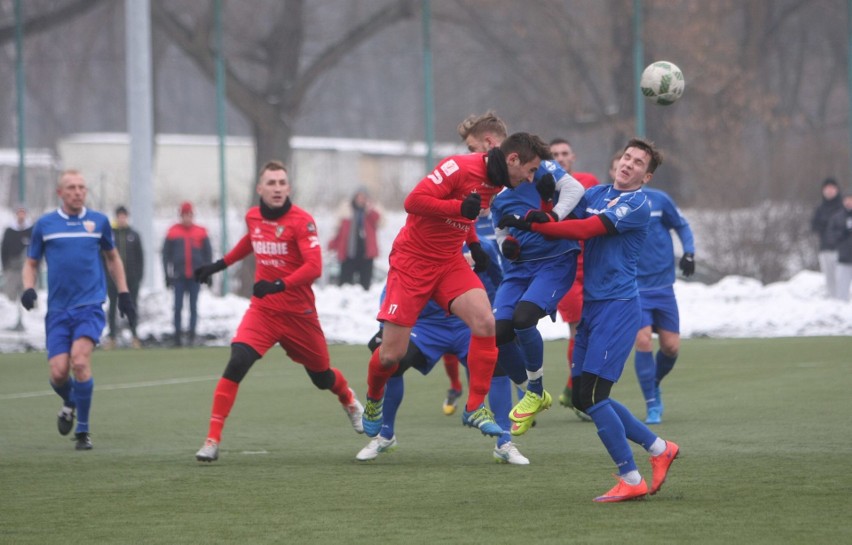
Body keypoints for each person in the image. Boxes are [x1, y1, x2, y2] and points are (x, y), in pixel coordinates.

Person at [499, 138, 680, 502]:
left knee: (595, 395)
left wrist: (532, 225)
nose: (628, 164)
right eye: (626, 157)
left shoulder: (637, 204)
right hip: (593, 307)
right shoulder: (596, 192)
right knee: (584, 397)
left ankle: (631, 477)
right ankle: (660, 449)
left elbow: (583, 230)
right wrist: (544, 201)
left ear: (647, 175)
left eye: (638, 162)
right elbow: (560, 209)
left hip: (618, 306)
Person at [360, 131, 551, 439]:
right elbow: (414, 202)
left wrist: (472, 243)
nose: (530, 178)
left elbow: (467, 213)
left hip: (449, 262)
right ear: (513, 159)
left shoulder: (500, 181)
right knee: (390, 356)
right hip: (413, 263)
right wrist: (458, 210)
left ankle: (474, 407)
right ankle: (372, 399)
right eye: (530, 170)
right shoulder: (458, 167)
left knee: (486, 322)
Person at [191, 160, 365, 462]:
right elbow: (252, 241)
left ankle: (348, 399)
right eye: (271, 183)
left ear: (289, 188)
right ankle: (212, 440)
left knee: (321, 377)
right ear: (260, 189)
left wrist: (279, 285)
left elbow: (315, 267)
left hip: (299, 314)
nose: (277, 188)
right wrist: (220, 265)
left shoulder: (302, 221)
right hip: (264, 311)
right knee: (237, 361)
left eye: (282, 183)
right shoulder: (253, 217)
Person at [456, 112, 585, 437]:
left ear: (489, 143)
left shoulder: (535, 164)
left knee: (524, 317)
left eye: (473, 147)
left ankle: (536, 388)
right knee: (498, 332)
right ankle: (532, 392)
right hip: (520, 267)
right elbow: (500, 227)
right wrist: (507, 246)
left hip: (555, 260)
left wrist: (553, 212)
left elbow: (575, 189)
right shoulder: (489, 183)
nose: (473, 155)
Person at [20, 170, 137, 450]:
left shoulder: (98, 222)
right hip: (58, 311)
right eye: (71, 187)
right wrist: (28, 287)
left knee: (80, 362)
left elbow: (113, 257)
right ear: (60, 193)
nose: (77, 192)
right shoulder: (45, 225)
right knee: (58, 373)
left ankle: (83, 432)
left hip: (90, 307)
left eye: (82, 187)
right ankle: (70, 401)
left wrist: (123, 293)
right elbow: (31, 262)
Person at [633, 187, 695, 425]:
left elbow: (681, 224)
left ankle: (654, 381)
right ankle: (651, 404)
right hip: (634, 287)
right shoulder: (614, 202)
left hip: (663, 287)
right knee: (643, 340)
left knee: (671, 347)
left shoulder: (659, 199)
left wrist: (689, 252)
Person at [548, 138, 600, 418]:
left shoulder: (588, 181)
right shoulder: (543, 188)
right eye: (554, 154)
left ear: (573, 156)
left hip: (592, 268)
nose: (560, 158)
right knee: (577, 329)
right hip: (565, 269)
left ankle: (572, 387)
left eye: (564, 153)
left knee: (592, 330)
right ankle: (580, 393)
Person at [162, 201, 211, 346]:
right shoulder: (173, 232)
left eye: (189, 215)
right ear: (181, 216)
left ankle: (191, 336)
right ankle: (177, 336)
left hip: (195, 276)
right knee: (177, 307)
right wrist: (167, 274)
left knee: (193, 307)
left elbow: (208, 254)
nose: (187, 218)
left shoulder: (201, 232)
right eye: (185, 215)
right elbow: (166, 255)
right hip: (179, 276)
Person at [104, 206, 144, 349]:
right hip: (113, 279)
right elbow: (104, 257)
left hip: (131, 279)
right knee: (113, 307)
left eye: (124, 216)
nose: (122, 219)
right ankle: (112, 337)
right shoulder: (110, 235)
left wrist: (138, 276)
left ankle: (134, 336)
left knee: (132, 306)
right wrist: (107, 275)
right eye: (119, 216)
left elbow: (140, 257)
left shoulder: (133, 235)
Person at [328, 187, 382, 290]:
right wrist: (332, 244)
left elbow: (380, 222)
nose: (361, 199)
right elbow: (338, 231)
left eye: (364, 197)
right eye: (359, 196)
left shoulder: (370, 212)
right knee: (344, 284)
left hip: (366, 254)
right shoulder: (346, 211)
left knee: (365, 285)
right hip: (349, 253)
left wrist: (370, 211)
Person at [810, 178, 844, 298]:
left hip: (841, 249)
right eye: (826, 189)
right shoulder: (820, 208)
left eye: (831, 189)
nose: (829, 191)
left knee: (841, 277)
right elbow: (814, 226)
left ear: (837, 190)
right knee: (829, 278)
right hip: (825, 248)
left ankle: (842, 301)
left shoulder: (842, 207)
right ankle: (832, 300)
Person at [2, 204, 33, 331]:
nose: (21, 215)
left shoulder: (32, 230)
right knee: (12, 295)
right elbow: (4, 249)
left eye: (23, 212)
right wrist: (6, 266)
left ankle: (24, 320)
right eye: (19, 212)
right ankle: (15, 320)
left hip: (27, 268)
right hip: (13, 268)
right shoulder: (9, 231)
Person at [827, 193, 852, 301]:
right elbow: (830, 235)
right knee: (842, 291)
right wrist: (842, 233)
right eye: (847, 199)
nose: (849, 202)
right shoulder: (837, 217)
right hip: (844, 257)